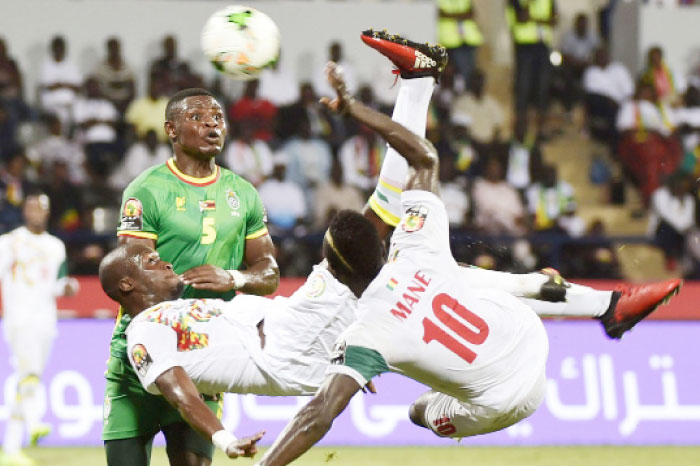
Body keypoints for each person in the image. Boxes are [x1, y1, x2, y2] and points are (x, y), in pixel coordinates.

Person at [255, 53, 681, 466]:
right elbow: (423, 156)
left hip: (513, 399)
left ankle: (579, 300)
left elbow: (320, 413)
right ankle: (595, 303)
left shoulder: (366, 335)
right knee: (459, 276)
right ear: (381, 248)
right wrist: (356, 111)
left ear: (340, 278)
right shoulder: (416, 246)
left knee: (419, 411)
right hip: (526, 333)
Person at [104, 88, 279, 466]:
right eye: (198, 117)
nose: (212, 124)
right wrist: (175, 295)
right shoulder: (146, 191)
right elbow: (127, 274)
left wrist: (233, 278)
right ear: (171, 129)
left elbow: (270, 275)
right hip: (140, 353)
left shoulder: (243, 193)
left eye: (217, 117)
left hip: (204, 352)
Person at [0, 192, 79, 466]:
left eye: (40, 209)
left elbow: (60, 281)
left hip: (46, 320)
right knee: (30, 371)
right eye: (31, 208)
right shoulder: (9, 242)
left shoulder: (56, 245)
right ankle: (35, 423)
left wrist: (68, 287)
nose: (35, 213)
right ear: (24, 211)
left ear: (46, 213)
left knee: (28, 378)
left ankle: (11, 448)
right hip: (18, 318)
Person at [506, 0, 558, 137]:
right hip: (524, 48)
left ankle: (541, 130)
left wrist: (534, 19)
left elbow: (554, 20)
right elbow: (521, 17)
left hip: (543, 46)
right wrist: (540, 18)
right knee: (523, 89)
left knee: (543, 89)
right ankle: (520, 130)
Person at [38, 36, 81, 128]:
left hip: (69, 104)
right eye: (56, 48)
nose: (59, 50)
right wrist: (66, 85)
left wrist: (59, 85)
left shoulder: (72, 65)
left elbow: (77, 88)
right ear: (52, 49)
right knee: (59, 117)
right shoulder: (45, 65)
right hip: (51, 104)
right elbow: (48, 87)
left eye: (61, 48)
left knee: (79, 113)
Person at [436, 0, 483, 84]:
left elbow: (471, 13)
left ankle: (468, 93)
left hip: (468, 40)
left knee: (469, 73)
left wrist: (451, 15)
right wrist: (461, 15)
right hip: (449, 41)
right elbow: (440, 13)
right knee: (449, 74)